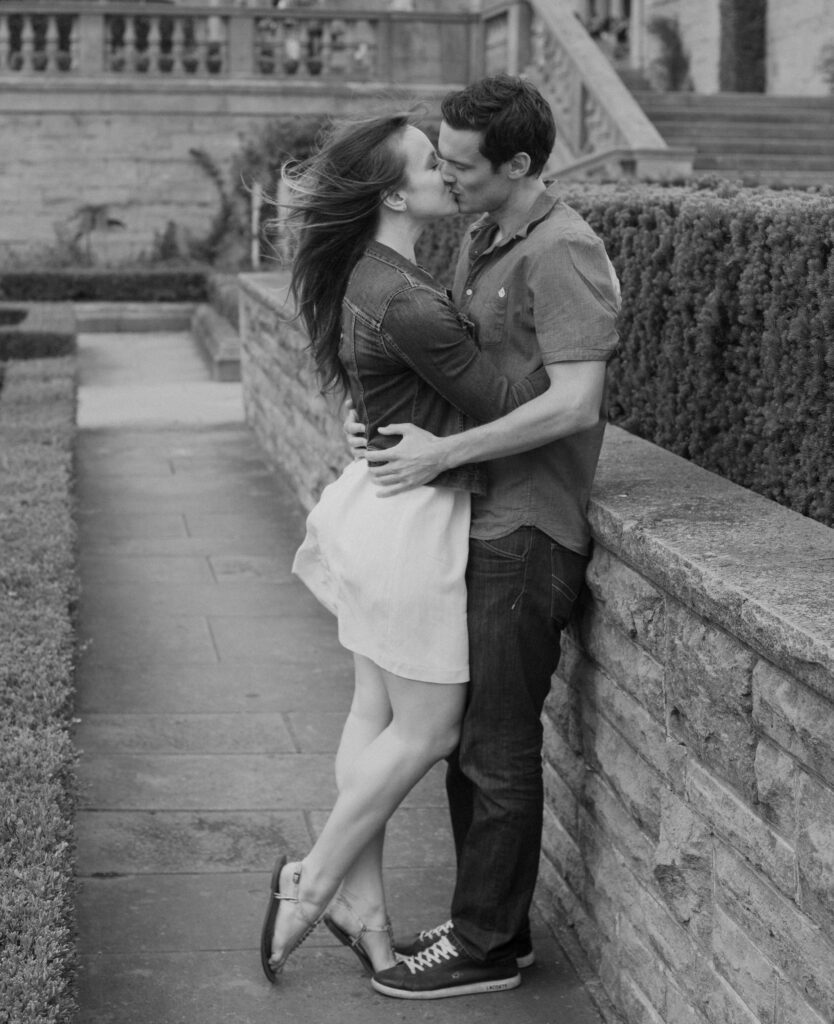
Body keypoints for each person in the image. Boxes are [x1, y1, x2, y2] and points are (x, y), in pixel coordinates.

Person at [259, 111, 551, 991]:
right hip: (412, 521)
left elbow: (388, 388)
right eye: (433, 160)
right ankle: (310, 884)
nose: (450, 167)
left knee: (375, 716)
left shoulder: (372, 275)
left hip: (379, 511)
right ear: (394, 192)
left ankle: (366, 908)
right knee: (431, 727)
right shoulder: (411, 299)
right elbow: (507, 403)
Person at [344, 75, 621, 999]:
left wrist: (444, 454)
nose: (446, 175)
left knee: (497, 748)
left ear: (519, 164)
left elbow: (576, 402)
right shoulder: (485, 234)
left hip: (532, 529)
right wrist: (380, 432)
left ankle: (489, 949)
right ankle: (481, 928)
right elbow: (456, 372)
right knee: (471, 745)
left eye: (460, 163)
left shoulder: (564, 251)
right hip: (482, 517)